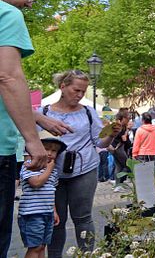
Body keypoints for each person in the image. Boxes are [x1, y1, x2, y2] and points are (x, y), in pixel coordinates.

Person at [0, 0, 72, 257]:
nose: (29, 4)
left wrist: (37, 115)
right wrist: (33, 139)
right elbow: (7, 76)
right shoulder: (7, 14)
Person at [42, 70, 120, 258]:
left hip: (84, 169)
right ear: (63, 87)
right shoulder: (43, 112)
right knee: (55, 219)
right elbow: (35, 142)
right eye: (76, 90)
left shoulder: (87, 111)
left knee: (83, 217)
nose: (79, 95)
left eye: (83, 92)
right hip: (53, 173)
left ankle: (87, 255)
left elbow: (99, 143)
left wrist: (111, 135)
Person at [17, 131, 66, 258]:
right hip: (32, 213)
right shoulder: (30, 165)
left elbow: (51, 192)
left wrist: (53, 211)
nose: (50, 153)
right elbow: (36, 182)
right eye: (46, 149)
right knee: (35, 247)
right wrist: (49, 169)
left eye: (54, 151)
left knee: (43, 245)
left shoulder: (53, 171)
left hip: (47, 212)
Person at [107, 109, 132, 192]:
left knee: (119, 166)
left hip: (116, 148)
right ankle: (119, 183)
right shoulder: (120, 127)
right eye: (127, 118)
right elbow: (124, 140)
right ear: (123, 118)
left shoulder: (120, 126)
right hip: (118, 148)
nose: (128, 120)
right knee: (127, 166)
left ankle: (118, 184)